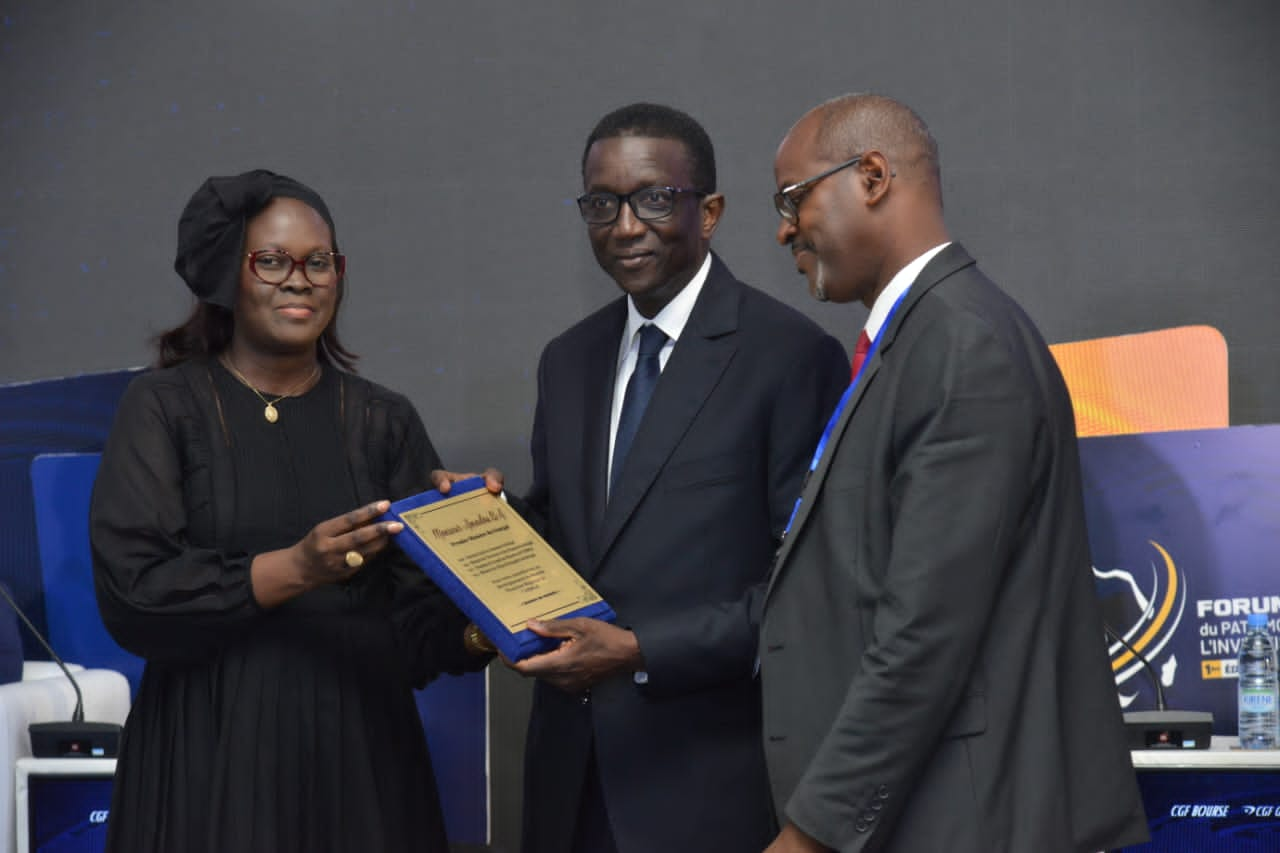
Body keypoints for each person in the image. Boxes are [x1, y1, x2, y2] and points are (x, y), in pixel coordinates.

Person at [439, 103, 848, 852]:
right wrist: (481, 524)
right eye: (602, 203)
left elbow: (808, 595)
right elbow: (574, 539)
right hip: (571, 787)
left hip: (711, 791)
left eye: (655, 198)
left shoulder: (789, 357)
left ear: (711, 211)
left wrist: (639, 648)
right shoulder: (568, 360)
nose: (626, 225)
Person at [758, 93, 1150, 853]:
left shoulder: (962, 344)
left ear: (871, 175)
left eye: (792, 198)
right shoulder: (923, 340)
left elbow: (925, 633)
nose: (783, 228)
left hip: (961, 818)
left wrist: (811, 835)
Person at [89, 169, 490, 853]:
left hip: (361, 761)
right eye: (271, 261)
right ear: (227, 276)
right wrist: (298, 567)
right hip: (210, 757)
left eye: (319, 261)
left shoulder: (383, 420)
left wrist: (486, 590)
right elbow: (137, 594)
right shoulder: (165, 408)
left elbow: (414, 629)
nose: (300, 279)